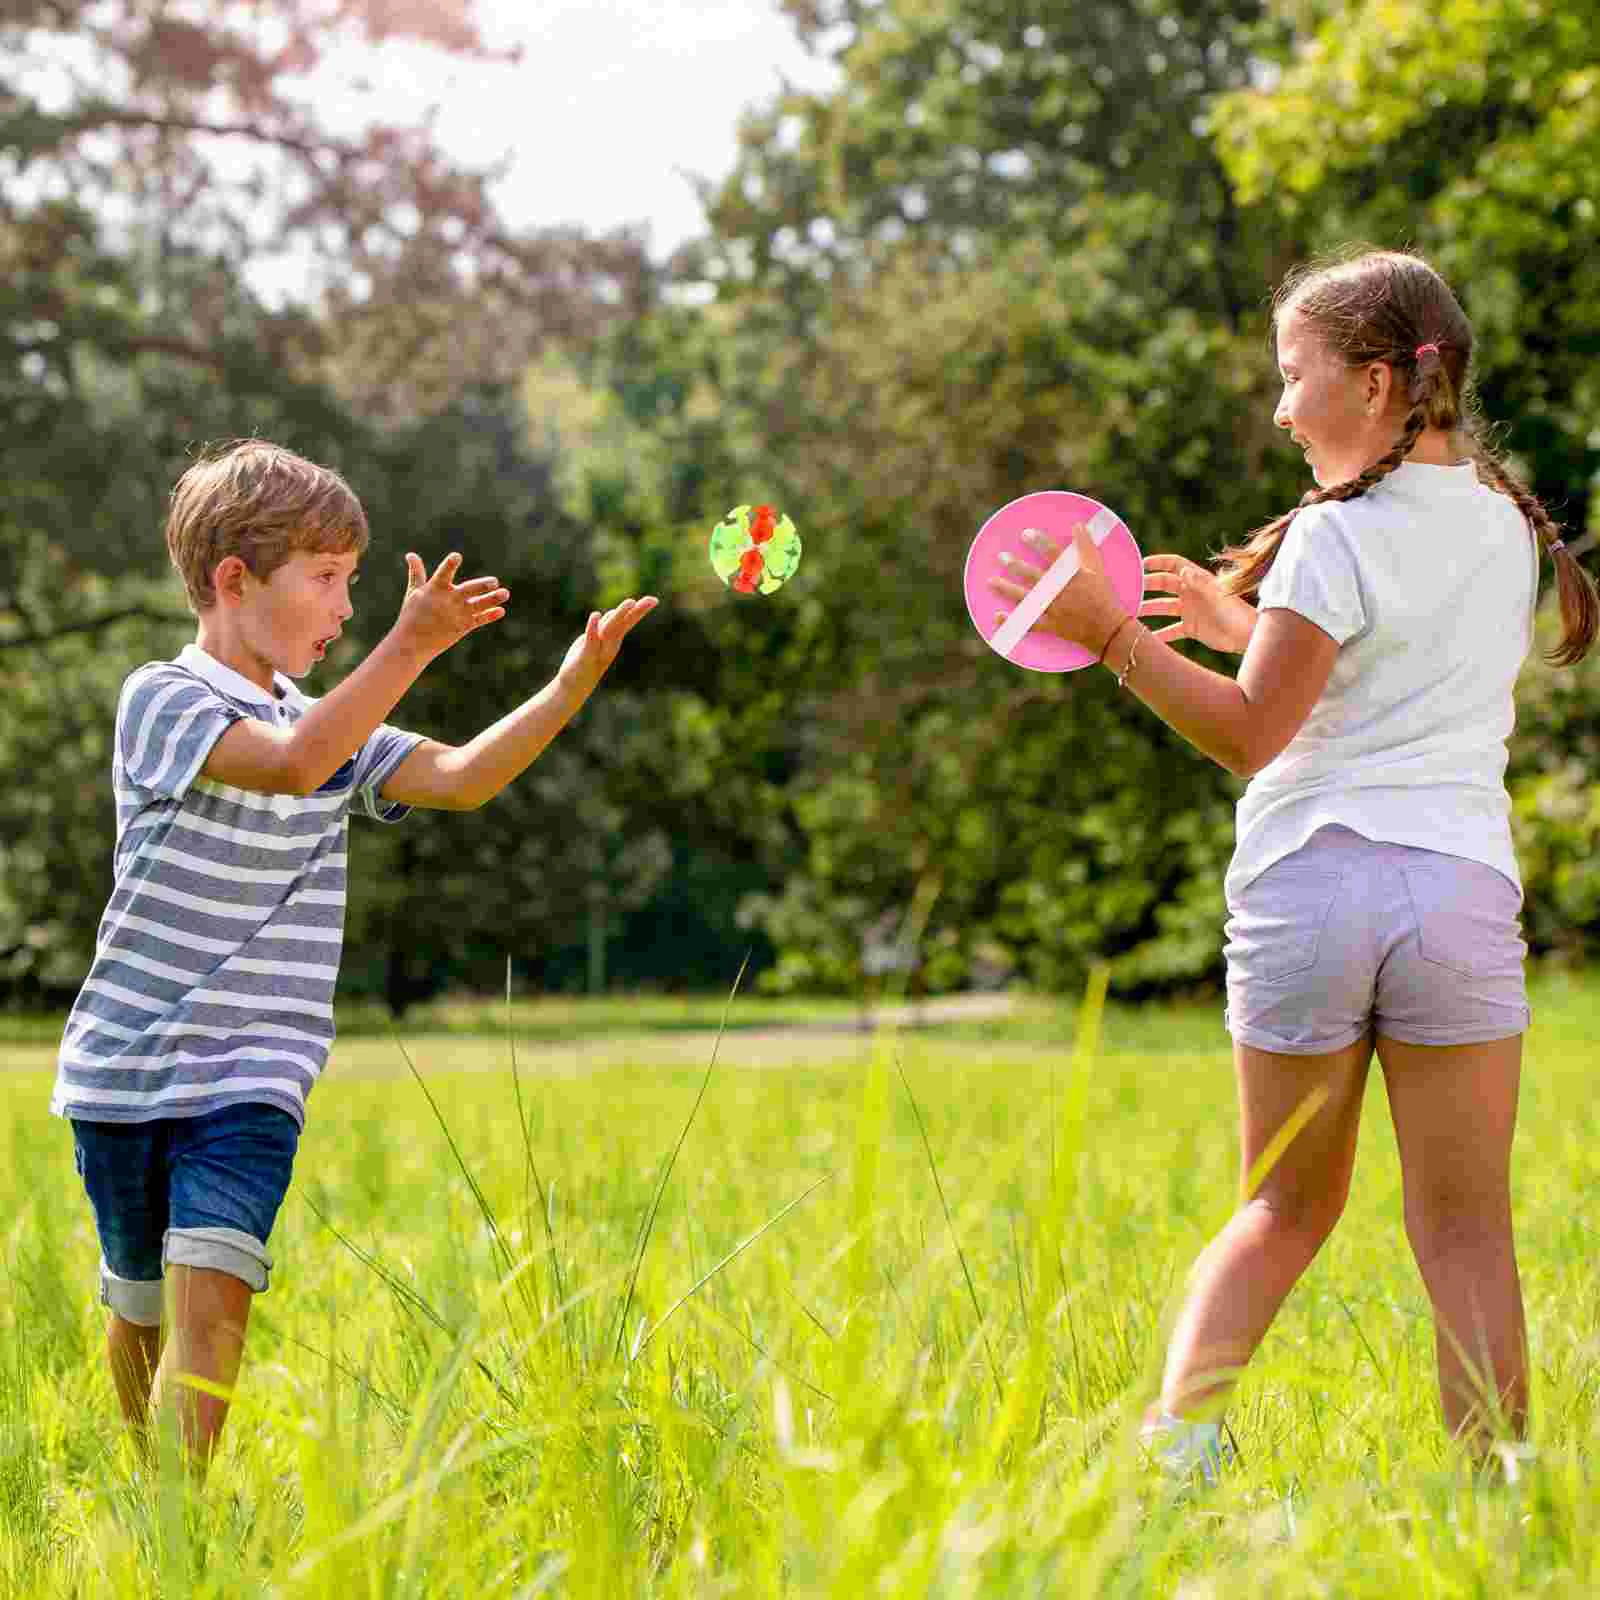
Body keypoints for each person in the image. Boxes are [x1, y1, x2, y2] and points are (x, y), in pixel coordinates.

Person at [989, 248, 1598, 1473]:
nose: (1277, 406)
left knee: (1281, 1206)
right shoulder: (1504, 530)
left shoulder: (1331, 537)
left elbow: (1256, 734)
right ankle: (1496, 1488)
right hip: (1456, 897)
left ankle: (1176, 1460)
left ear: (1374, 384)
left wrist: (1113, 637)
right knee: (1468, 1228)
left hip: (1314, 890)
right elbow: (1381, 680)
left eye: (1291, 374)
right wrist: (1242, 627)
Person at [52, 439, 657, 1473]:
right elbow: (292, 767)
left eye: (354, 585)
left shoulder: (328, 724)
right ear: (234, 581)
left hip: (252, 1072)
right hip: (126, 1069)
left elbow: (461, 776)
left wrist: (566, 688)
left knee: (215, 1290)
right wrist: (410, 646)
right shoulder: (164, 699)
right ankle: (142, 1491)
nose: (345, 610)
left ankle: (176, 1530)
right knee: (140, 1304)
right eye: (326, 580)